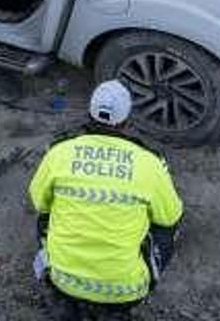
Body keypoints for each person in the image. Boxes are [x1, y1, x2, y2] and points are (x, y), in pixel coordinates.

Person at [28, 79, 183, 319]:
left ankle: (65, 292)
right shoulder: (149, 163)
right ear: (126, 120)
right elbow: (170, 216)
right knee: (167, 227)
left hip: (62, 282)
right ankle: (127, 294)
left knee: (45, 216)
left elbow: (39, 202)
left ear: (90, 113)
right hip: (126, 292)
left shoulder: (60, 151)